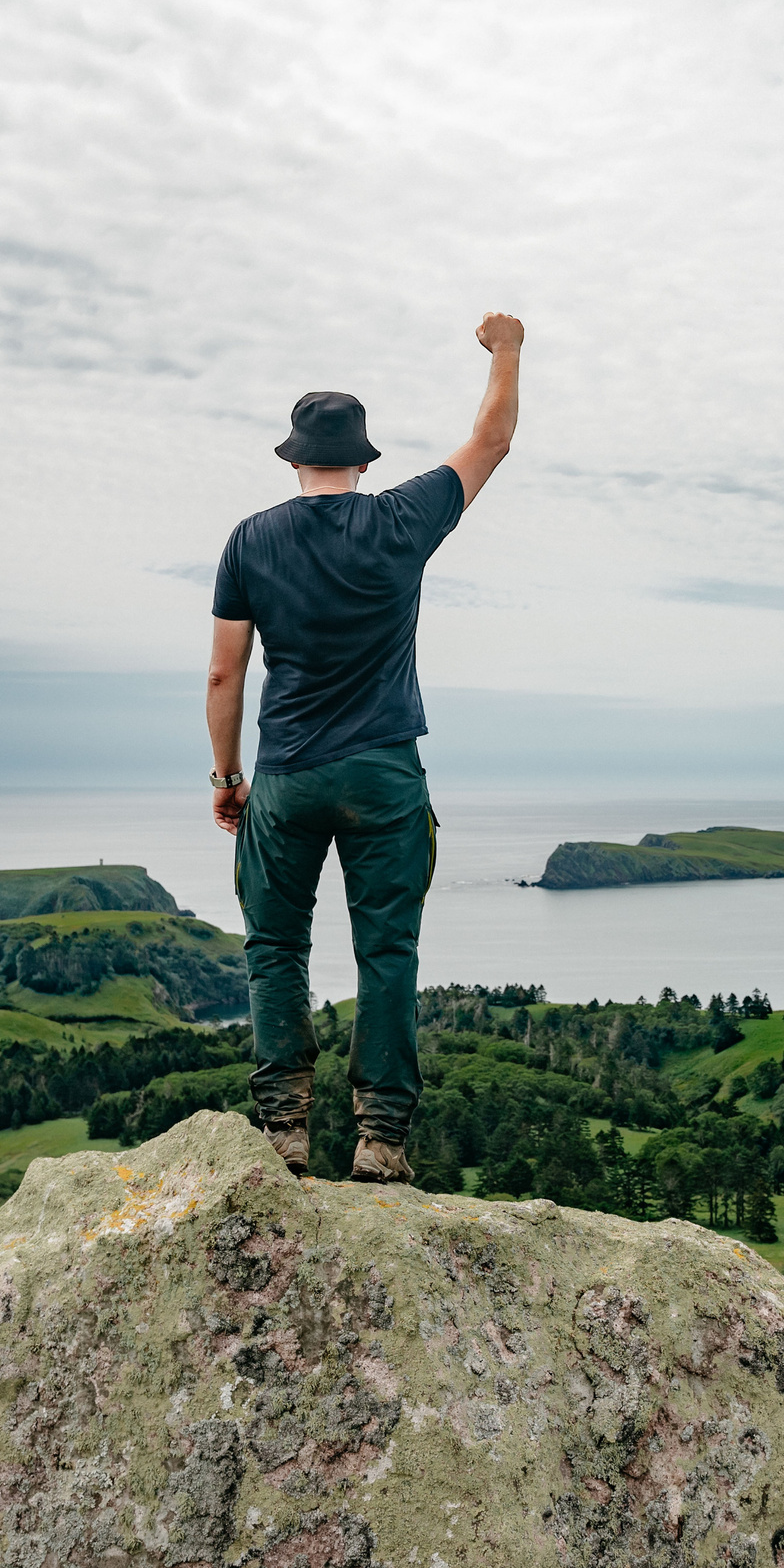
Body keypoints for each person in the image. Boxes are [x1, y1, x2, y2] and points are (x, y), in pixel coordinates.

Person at [205, 312, 524, 1183]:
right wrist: (506, 350)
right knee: (388, 950)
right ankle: (381, 1141)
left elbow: (225, 678)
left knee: (276, 947)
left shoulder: (251, 539)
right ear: (366, 460)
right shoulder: (401, 519)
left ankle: (285, 1132)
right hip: (385, 771)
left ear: (293, 458)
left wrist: (229, 777)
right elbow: (492, 441)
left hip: (288, 775)